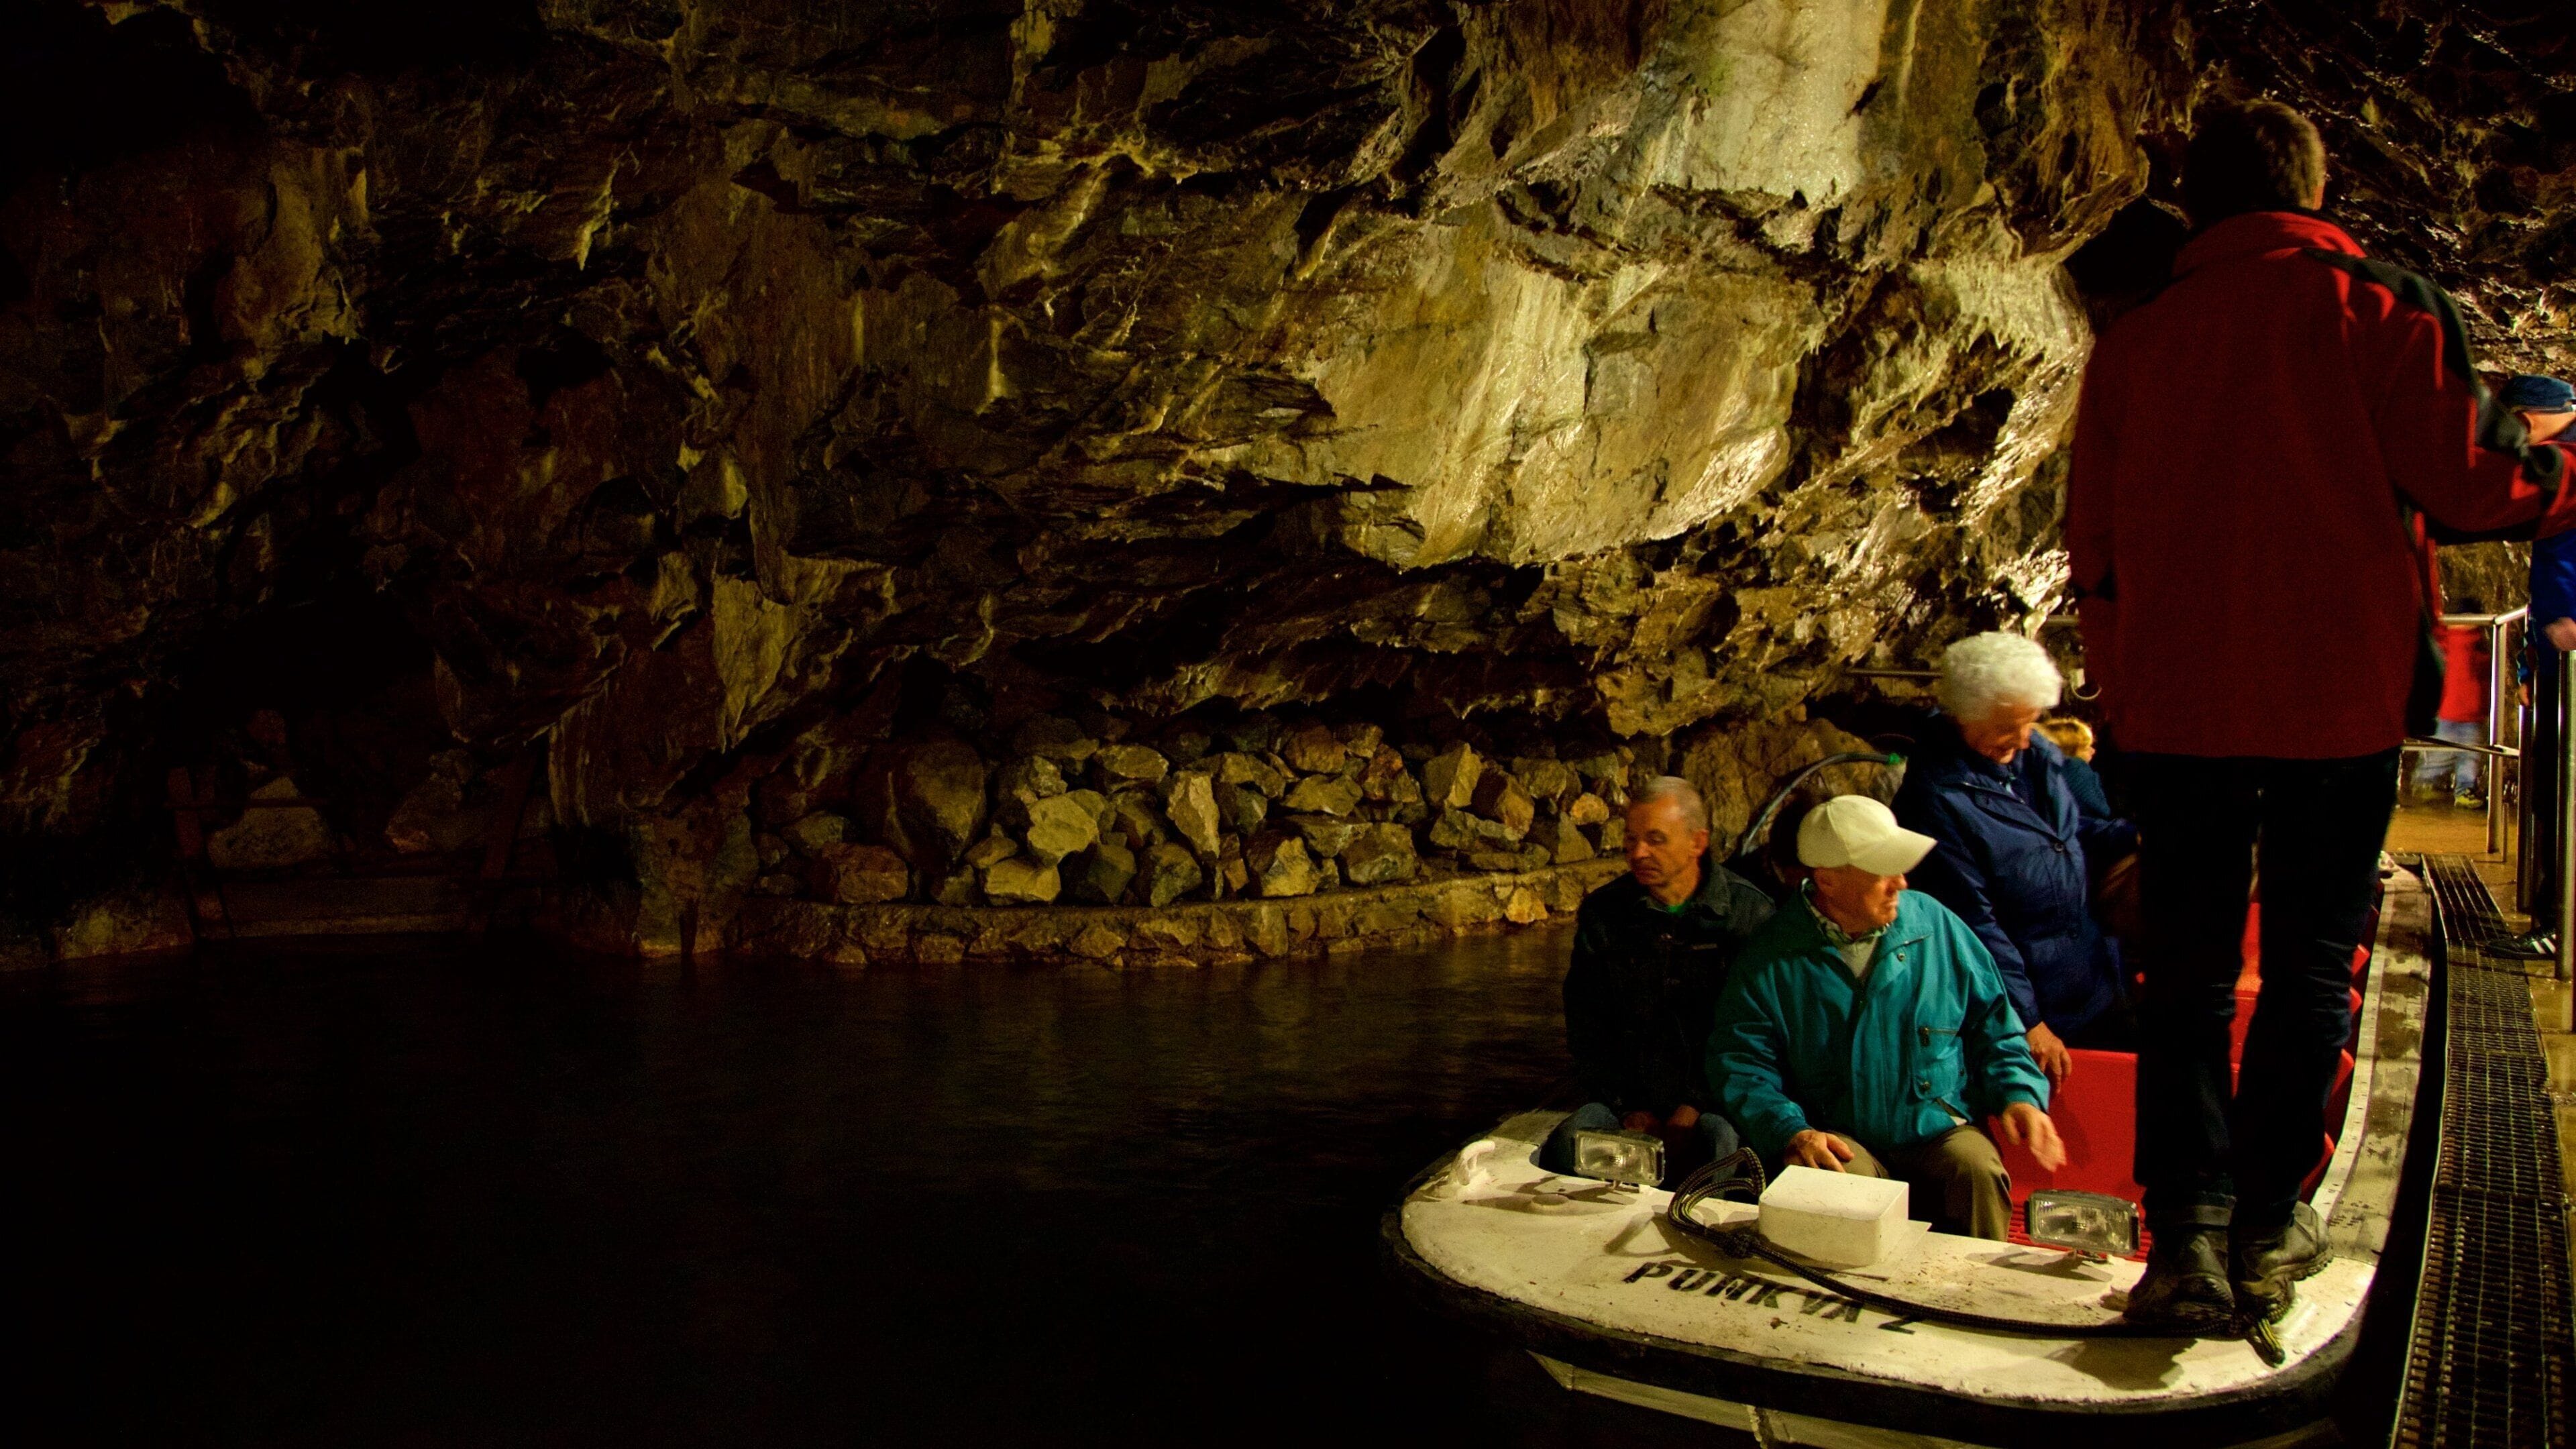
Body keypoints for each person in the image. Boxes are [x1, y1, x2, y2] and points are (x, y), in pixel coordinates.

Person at [2066, 101, 2576, 1329]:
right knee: (2305, 966)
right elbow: (2478, 477)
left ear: (2204, 199)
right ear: (2314, 189)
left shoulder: (2139, 340)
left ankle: (2180, 1231)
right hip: (2333, 702)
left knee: (2181, 969)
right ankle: (2265, 1222)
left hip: (2179, 706)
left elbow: (2097, 543)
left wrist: (2125, 693)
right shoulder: (2375, 306)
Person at [1710, 795, 2063, 1239]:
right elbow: (1741, 1062)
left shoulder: (1938, 926)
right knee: (1838, 1181)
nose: (1900, 882)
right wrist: (1790, 1131)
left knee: (1977, 1169)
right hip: (1843, 1133)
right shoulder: (1772, 957)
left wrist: (2019, 1096)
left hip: (1937, 1127)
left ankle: (1978, 1297)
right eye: (1882, 871)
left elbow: (1995, 1026)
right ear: (1829, 880)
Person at [1895, 634, 2139, 1088]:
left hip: (2095, 977)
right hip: (2038, 1003)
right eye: (2010, 725)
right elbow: (1973, 922)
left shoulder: (2033, 756)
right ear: (1965, 716)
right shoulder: (1936, 801)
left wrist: (2141, 838)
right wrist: (2026, 1020)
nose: (2025, 739)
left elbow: (2070, 832)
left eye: (2031, 722)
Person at [1543, 776, 1775, 1183]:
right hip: (1629, 1104)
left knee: (1723, 1145)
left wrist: (1695, 1104)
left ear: (1697, 842)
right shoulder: (1605, 914)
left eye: (1655, 839)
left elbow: (1751, 1034)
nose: (1638, 852)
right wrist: (1627, 1105)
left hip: (1715, 1103)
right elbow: (1587, 1025)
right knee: (1566, 1145)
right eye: (1630, 840)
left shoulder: (1748, 917)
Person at [2512, 376, 2576, 943]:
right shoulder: (2554, 470)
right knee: (2551, 795)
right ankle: (2552, 918)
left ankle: (2560, 927)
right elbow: (2545, 587)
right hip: (2558, 668)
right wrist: (2528, 670)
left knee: (2565, 797)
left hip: (2573, 665)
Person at [2412, 595, 2490, 807]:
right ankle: (2445, 787)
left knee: (2459, 756)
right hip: (2460, 712)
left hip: (2458, 711)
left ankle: (2431, 785)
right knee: (2465, 756)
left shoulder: (2447, 642)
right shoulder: (2474, 645)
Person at [2035, 716, 2112, 818]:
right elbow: (2100, 809)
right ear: (2070, 750)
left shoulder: (2039, 769)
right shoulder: (2076, 768)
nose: (2093, 751)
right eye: (2085, 748)